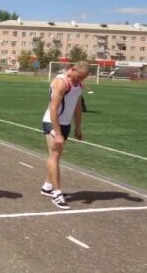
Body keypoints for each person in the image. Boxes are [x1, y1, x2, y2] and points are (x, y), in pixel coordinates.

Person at [40, 61, 90, 210]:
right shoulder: (61, 82)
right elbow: (53, 108)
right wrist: (58, 133)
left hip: (66, 124)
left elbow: (77, 106)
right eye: (79, 77)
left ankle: (47, 187)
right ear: (73, 69)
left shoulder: (78, 84)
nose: (80, 80)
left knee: (56, 155)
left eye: (83, 78)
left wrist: (78, 128)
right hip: (52, 122)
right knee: (54, 155)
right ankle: (57, 193)